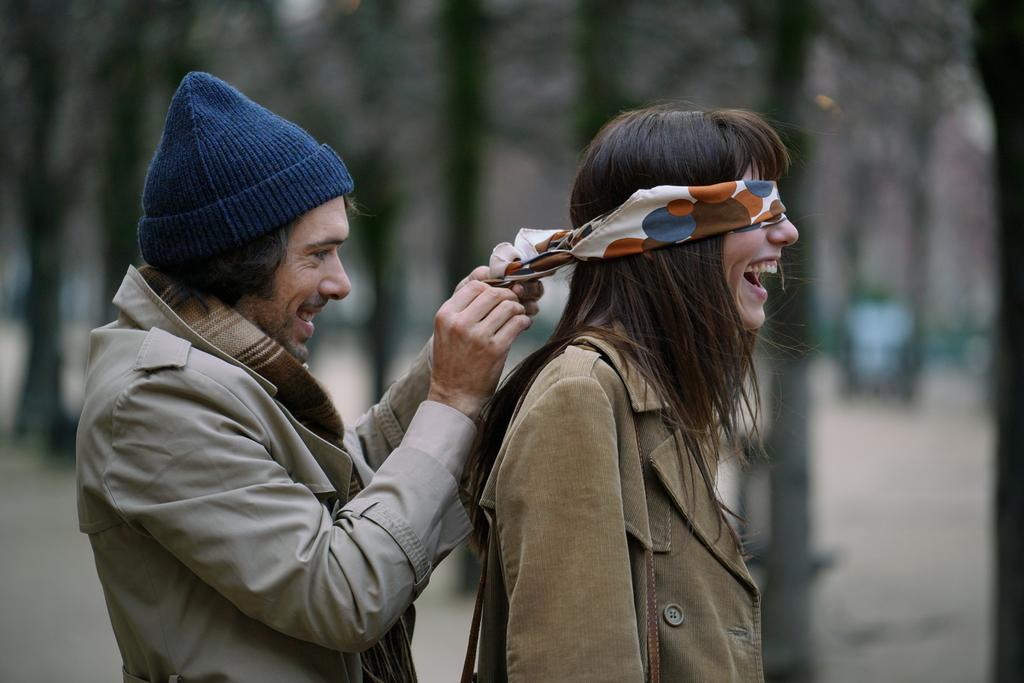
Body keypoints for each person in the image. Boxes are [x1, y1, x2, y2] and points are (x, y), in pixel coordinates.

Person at [76, 72, 540, 683]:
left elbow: (347, 490)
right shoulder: (153, 401)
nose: (341, 283)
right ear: (242, 255)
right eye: (318, 254)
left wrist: (449, 354)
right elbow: (344, 593)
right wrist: (452, 400)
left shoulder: (217, 369)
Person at [463, 106, 800, 682]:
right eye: (755, 205)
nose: (786, 231)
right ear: (669, 228)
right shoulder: (581, 399)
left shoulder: (658, 399)